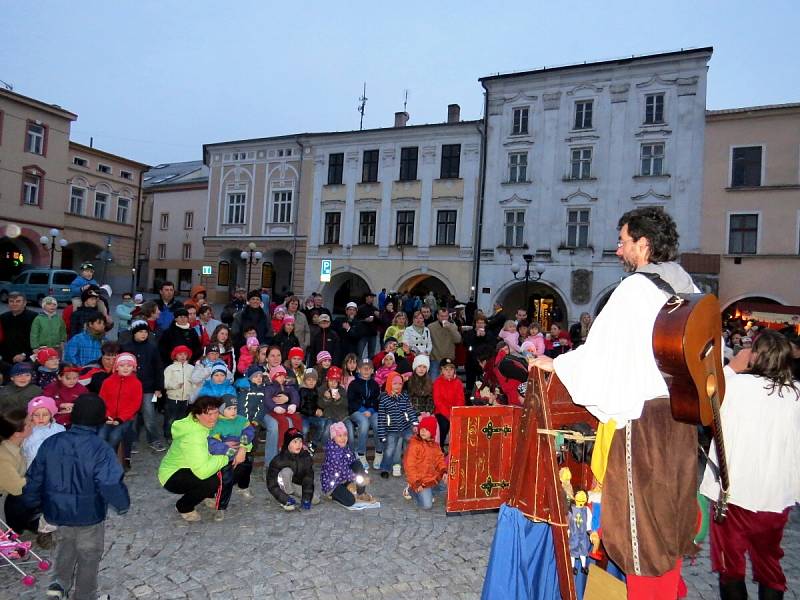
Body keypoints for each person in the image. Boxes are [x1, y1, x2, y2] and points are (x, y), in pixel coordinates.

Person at [532, 206, 699, 598]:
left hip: (643, 427)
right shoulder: (687, 287)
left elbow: (601, 357)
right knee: (668, 521)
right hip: (680, 421)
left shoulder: (636, 290)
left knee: (640, 533)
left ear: (643, 244)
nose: (618, 249)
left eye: (623, 241)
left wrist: (556, 363)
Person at [699, 331, 800, 600]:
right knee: (770, 567)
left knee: (730, 569)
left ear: (755, 355)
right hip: (774, 498)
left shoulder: (734, 387)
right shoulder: (796, 395)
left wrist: (731, 368)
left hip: (733, 497)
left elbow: (703, 397)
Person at [23, 393, 130, 600]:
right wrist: (122, 504)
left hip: (56, 510)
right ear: (99, 419)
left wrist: (32, 503)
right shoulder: (100, 448)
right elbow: (110, 482)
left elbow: (35, 476)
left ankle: (58, 584)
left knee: (66, 545)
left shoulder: (52, 442)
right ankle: (85, 595)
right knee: (89, 554)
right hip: (88, 514)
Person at [158, 395, 240, 522]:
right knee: (212, 481)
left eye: (215, 412)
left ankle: (206, 495)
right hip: (173, 475)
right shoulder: (193, 436)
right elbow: (202, 472)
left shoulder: (203, 424)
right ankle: (184, 506)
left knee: (225, 471)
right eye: (208, 414)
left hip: (192, 465)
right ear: (197, 415)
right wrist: (227, 455)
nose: (213, 417)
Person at [206, 396, 255, 520]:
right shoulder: (216, 424)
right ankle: (220, 507)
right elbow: (213, 444)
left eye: (235, 408)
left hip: (240, 451)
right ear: (221, 410)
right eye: (229, 408)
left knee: (247, 465)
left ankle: (243, 487)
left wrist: (243, 447)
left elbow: (248, 432)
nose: (233, 411)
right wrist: (232, 452)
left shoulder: (242, 420)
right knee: (226, 480)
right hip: (224, 456)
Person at [122, 320, 166, 452]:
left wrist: (158, 387)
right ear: (134, 332)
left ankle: (153, 439)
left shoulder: (152, 347)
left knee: (149, 414)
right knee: (132, 416)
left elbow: (158, 368)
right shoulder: (126, 347)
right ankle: (132, 440)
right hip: (130, 387)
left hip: (148, 387)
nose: (143, 334)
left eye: (146, 332)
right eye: (140, 331)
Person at [0, 408, 38, 536]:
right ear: (17, 433)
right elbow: (17, 488)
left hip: (10, 498)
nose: (32, 423)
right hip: (5, 502)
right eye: (28, 423)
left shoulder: (16, 444)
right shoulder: (4, 457)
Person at [98, 353, 142, 461]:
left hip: (126, 418)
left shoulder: (136, 383)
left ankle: (112, 461)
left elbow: (135, 404)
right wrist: (106, 415)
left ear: (133, 367)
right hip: (108, 417)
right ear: (116, 367)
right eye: (122, 365)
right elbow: (102, 400)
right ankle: (101, 459)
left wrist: (121, 418)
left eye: (129, 366)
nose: (126, 368)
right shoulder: (107, 382)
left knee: (114, 437)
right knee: (101, 436)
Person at [320, 422, 375, 507]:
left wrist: (364, 475)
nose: (343, 438)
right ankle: (332, 495)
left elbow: (352, 461)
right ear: (333, 438)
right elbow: (343, 471)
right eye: (339, 436)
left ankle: (360, 493)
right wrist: (359, 479)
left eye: (345, 435)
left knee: (357, 463)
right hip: (333, 484)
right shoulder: (333, 452)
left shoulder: (345, 447)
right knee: (350, 501)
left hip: (343, 480)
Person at [266, 428, 318, 511]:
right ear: (288, 444)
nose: (299, 445)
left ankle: (294, 495)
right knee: (286, 471)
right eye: (295, 442)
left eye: (300, 441)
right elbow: (272, 484)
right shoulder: (279, 460)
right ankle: (287, 498)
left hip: (296, 484)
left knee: (314, 499)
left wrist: (306, 498)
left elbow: (308, 478)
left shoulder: (305, 457)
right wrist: (284, 498)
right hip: (283, 484)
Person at [378, 372, 418, 479]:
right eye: (395, 384)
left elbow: (410, 411)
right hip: (392, 430)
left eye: (400, 384)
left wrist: (414, 423)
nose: (397, 386)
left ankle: (412, 465)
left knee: (413, 442)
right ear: (390, 384)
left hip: (405, 427)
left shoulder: (404, 396)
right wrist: (382, 435)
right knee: (390, 449)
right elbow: (381, 418)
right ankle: (385, 468)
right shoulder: (384, 399)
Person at [403, 415, 447, 509]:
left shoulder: (435, 445)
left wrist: (443, 471)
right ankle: (411, 490)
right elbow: (409, 466)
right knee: (427, 505)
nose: (423, 431)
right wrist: (416, 483)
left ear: (432, 432)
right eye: (421, 428)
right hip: (420, 481)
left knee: (446, 485)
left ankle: (429, 492)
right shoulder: (414, 445)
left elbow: (440, 460)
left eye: (426, 429)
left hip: (431, 478)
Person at [347, 358, 383, 469]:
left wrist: (371, 410)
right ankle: (361, 453)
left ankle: (379, 452)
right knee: (364, 423)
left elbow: (377, 400)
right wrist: (362, 410)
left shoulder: (375, 384)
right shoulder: (353, 384)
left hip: (371, 411)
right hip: (357, 411)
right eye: (364, 368)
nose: (366, 370)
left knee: (378, 422)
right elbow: (351, 401)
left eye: (369, 368)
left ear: (372, 371)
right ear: (358, 370)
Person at [263, 365, 302, 464]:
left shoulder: (287, 386)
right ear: (273, 377)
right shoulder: (270, 387)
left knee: (297, 418)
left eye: (283, 376)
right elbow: (267, 399)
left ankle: (300, 440)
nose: (281, 378)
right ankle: (282, 444)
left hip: (286, 409)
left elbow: (295, 395)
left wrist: (293, 405)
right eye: (278, 376)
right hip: (275, 411)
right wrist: (274, 407)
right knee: (283, 422)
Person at [0, 292, 37, 378]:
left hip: (27, 357)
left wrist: (24, 355)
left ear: (25, 303)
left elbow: (40, 342)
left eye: (18, 301)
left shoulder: (35, 317)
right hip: (7, 358)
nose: (14, 304)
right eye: (11, 301)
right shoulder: (3, 317)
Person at [22, 396, 65, 468]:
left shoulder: (59, 429)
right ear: (31, 416)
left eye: (45, 415)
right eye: (36, 415)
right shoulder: (27, 429)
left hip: (53, 467)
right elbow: (26, 451)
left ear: (51, 415)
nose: (41, 418)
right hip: (32, 467)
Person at [432, 358, 464, 452]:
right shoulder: (437, 382)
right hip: (441, 412)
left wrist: (455, 412)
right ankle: (440, 446)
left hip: (455, 411)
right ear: (441, 371)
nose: (449, 372)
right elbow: (438, 401)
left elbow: (460, 399)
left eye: (451, 369)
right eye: (446, 369)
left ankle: (457, 448)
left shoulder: (458, 383)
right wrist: (448, 415)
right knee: (444, 424)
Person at [163, 345, 196, 437]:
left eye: (185, 354)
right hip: (173, 399)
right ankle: (168, 435)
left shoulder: (192, 368)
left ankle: (179, 435)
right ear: (175, 356)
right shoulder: (170, 368)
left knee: (182, 419)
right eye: (180, 354)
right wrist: (174, 386)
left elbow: (196, 383)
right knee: (170, 419)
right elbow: (165, 384)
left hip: (186, 399)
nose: (182, 356)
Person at [429, 308, 462, 380]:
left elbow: (458, 340)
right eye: (442, 316)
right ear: (437, 316)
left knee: (449, 382)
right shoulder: (431, 327)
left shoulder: (453, 326)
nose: (444, 318)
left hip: (448, 359)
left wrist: (450, 328)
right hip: (435, 359)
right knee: (434, 381)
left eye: (446, 316)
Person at [298, 368, 325, 445]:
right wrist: (314, 412)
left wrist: (320, 409)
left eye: (313, 380)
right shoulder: (302, 391)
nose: (311, 382)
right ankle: (302, 445)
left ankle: (313, 443)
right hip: (303, 416)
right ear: (305, 380)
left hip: (313, 416)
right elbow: (301, 408)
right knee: (305, 429)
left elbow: (319, 403)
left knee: (322, 423)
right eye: (309, 379)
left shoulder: (317, 391)